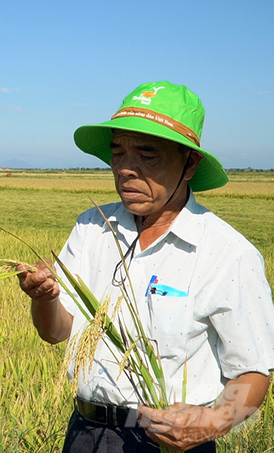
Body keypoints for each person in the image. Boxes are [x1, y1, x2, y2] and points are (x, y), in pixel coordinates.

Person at [17, 81, 274, 452]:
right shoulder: (91, 228)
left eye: (147, 155)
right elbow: (56, 333)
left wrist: (211, 424)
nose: (125, 169)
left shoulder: (228, 253)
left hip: (169, 442)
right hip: (86, 434)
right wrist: (44, 297)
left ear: (190, 163)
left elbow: (252, 372)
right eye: (117, 153)